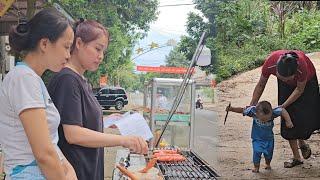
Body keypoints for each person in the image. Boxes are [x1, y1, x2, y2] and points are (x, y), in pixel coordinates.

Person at [47, 19, 148, 180]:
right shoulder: (67, 79)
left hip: (89, 168)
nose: (100, 56)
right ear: (79, 43)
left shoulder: (81, 80)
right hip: (76, 172)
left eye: (103, 52)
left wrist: (106, 120)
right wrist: (123, 140)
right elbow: (73, 134)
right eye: (97, 49)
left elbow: (80, 118)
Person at [0, 8, 76, 179]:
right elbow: (44, 154)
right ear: (44, 44)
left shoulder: (33, 79)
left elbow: (50, 143)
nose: (68, 55)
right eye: (66, 47)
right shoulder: (23, 79)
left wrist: (68, 168)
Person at [250, 50, 320, 168]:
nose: (285, 81)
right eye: (281, 78)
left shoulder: (301, 67)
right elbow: (261, 84)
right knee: (288, 118)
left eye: (287, 79)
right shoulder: (271, 62)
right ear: (277, 70)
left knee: (305, 117)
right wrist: (252, 104)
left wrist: (282, 106)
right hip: (289, 86)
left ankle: (301, 140)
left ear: (294, 73)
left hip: (306, 83)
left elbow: (299, 90)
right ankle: (297, 157)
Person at [226, 101, 294, 173]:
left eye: (267, 119)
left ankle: (267, 163)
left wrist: (288, 121)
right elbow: (242, 110)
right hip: (257, 139)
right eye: (263, 119)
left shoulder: (273, 113)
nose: (265, 121)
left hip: (269, 139)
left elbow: (282, 110)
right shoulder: (252, 111)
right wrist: (231, 109)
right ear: (256, 113)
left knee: (269, 154)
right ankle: (256, 167)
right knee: (257, 152)